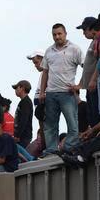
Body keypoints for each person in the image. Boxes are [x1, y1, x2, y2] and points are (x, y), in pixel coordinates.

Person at [40, 23, 84, 154]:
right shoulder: (49, 51)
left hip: (67, 93)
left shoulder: (74, 49)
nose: (57, 37)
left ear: (65, 34)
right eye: (54, 34)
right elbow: (45, 72)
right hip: (51, 93)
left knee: (72, 124)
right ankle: (52, 149)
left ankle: (69, 147)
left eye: (59, 34)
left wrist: (80, 85)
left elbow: (86, 66)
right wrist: (42, 92)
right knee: (50, 125)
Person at [12, 80, 34, 148]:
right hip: (22, 135)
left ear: (22, 88)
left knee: (21, 153)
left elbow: (24, 120)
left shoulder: (26, 102)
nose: (15, 90)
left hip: (24, 136)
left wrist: (18, 135)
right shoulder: (23, 102)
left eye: (16, 88)